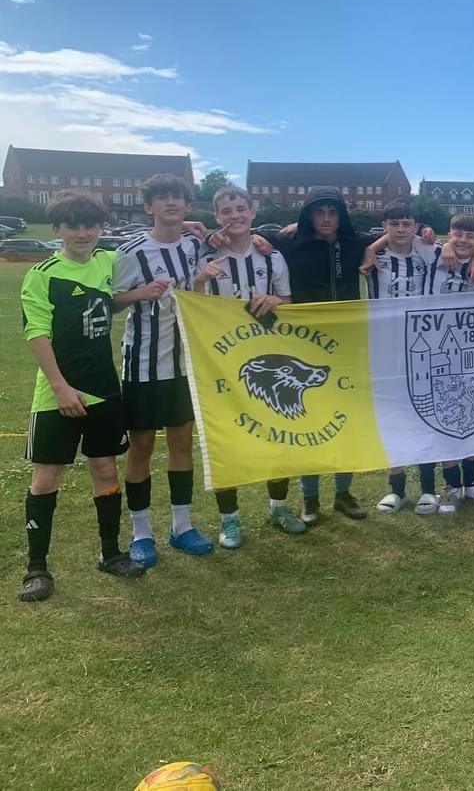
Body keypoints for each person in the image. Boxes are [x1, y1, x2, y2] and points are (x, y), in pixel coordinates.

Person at [17, 193, 146, 602]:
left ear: (101, 228)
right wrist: (59, 388)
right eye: (73, 226)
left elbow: (112, 299)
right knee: (45, 478)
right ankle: (36, 569)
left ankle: (111, 553)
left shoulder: (109, 262)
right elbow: (36, 332)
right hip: (57, 392)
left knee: (105, 471)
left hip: (104, 390)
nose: (83, 233)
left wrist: (201, 232)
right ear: (57, 230)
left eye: (90, 225)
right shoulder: (43, 273)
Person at [253, 186, 382, 524]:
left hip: (349, 345)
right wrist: (199, 226)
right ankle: (309, 498)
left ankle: (343, 492)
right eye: (319, 212)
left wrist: (372, 251)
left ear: (341, 215)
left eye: (332, 212)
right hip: (304, 348)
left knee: (346, 420)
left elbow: (399, 231)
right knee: (309, 422)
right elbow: (240, 229)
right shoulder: (290, 242)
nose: (326, 219)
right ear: (308, 215)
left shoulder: (355, 242)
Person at [192, 186, 301, 546]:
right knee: (226, 438)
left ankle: (278, 506)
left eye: (240, 209)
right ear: (217, 217)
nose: (234, 215)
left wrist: (274, 300)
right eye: (226, 211)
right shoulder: (205, 255)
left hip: (267, 356)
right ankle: (229, 519)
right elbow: (189, 304)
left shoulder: (271, 257)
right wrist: (200, 280)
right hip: (220, 360)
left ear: (252, 213)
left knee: (277, 432)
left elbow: (286, 300)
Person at [112, 174, 211, 566]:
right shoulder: (131, 251)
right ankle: (141, 532)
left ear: (186, 205)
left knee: (181, 444)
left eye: (177, 197)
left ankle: (181, 526)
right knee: (141, 447)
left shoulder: (195, 242)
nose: (171, 203)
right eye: (162, 198)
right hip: (143, 364)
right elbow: (112, 301)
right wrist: (139, 293)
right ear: (148, 207)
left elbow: (227, 243)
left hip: (184, 364)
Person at [358, 199, 439, 515]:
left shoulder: (427, 251)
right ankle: (397, 490)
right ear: (384, 227)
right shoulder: (371, 255)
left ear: (416, 226)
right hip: (385, 350)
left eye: (407, 223)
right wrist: (373, 245)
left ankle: (429, 490)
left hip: (422, 348)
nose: (401, 229)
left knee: (425, 415)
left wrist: (431, 236)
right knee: (391, 420)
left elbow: (454, 252)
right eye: (394, 224)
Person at [424, 213, 474, 514]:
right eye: (457, 234)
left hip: (472, 353)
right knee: (446, 418)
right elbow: (406, 237)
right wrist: (439, 240)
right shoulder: (434, 255)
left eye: (470, 236)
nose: (462, 240)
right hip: (438, 353)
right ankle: (452, 486)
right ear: (448, 233)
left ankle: (473, 484)